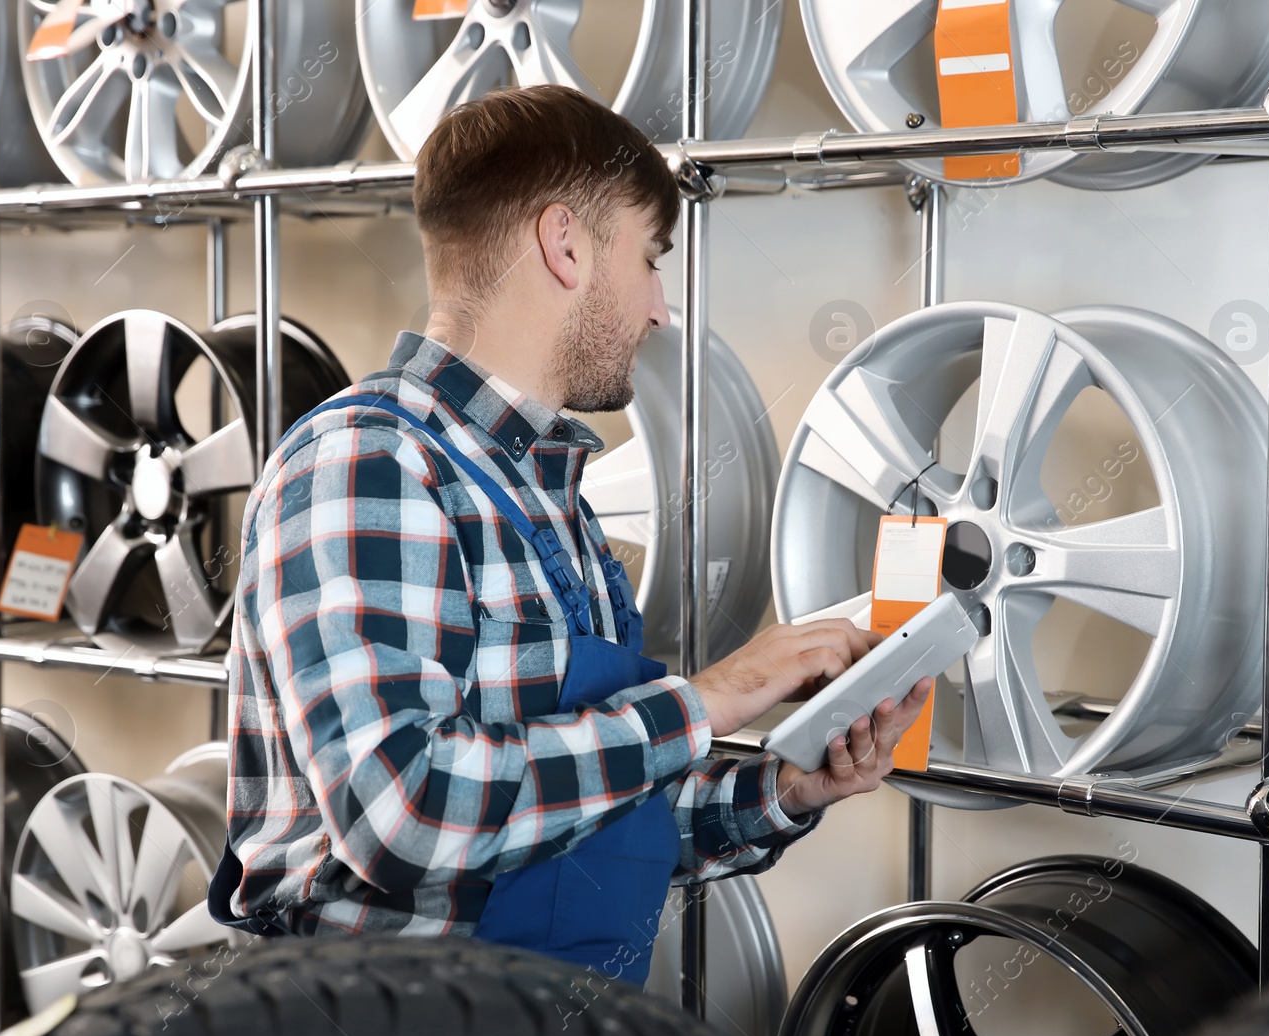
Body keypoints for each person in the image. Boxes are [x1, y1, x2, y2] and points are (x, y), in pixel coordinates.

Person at [207, 85, 932, 984]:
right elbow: (405, 814)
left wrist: (784, 790)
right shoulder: (366, 464)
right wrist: (713, 699)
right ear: (566, 244)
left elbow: (584, 822)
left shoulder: (553, 499)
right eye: (650, 257)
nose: (658, 307)